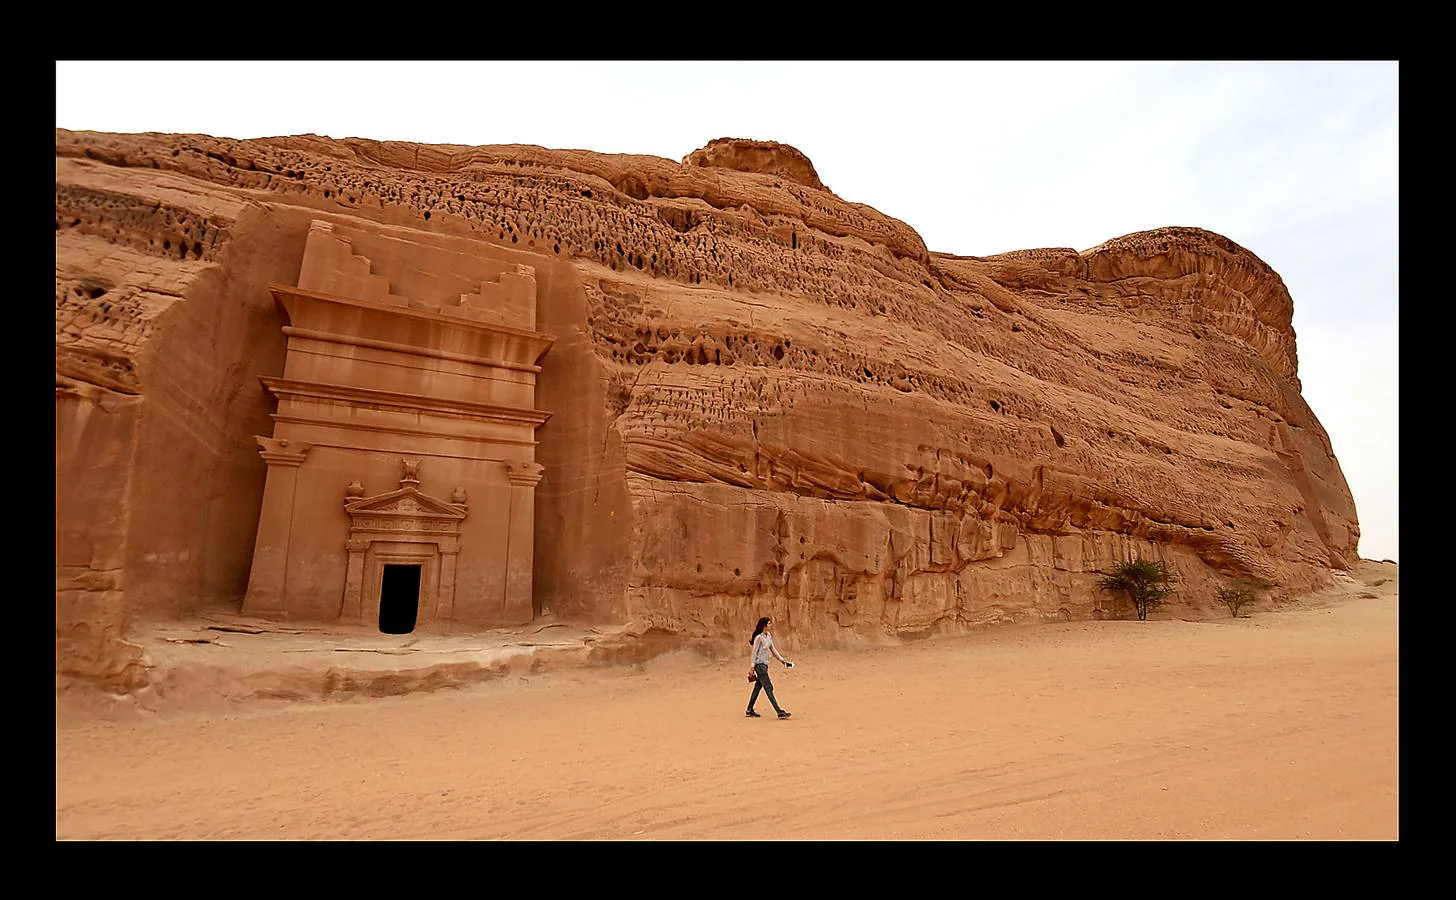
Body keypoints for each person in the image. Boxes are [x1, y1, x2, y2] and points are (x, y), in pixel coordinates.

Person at [745, 616, 793, 719]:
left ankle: (749, 709)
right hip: (760, 666)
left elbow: (773, 649)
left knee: (758, 687)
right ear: (764, 625)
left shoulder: (768, 636)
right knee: (768, 687)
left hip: (765, 665)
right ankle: (779, 711)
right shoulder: (759, 638)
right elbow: (754, 653)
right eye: (769, 623)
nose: (770, 625)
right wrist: (752, 667)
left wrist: (782, 660)